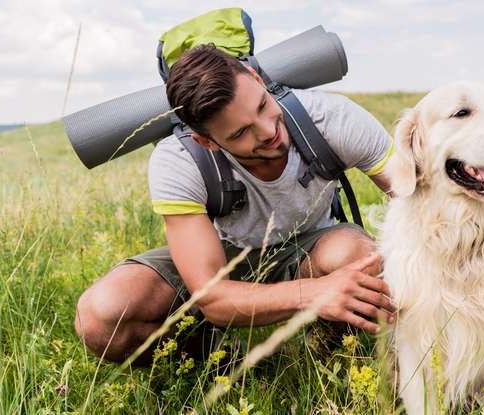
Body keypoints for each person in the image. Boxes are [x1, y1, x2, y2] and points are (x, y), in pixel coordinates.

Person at [74, 44, 396, 364]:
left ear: (257, 79)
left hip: (313, 249)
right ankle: (226, 365)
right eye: (241, 132)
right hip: (227, 255)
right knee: (100, 316)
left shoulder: (332, 119)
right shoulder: (179, 160)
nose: (269, 131)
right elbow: (212, 298)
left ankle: (327, 354)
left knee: (359, 257)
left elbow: (423, 200)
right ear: (206, 141)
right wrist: (315, 293)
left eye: (261, 105)